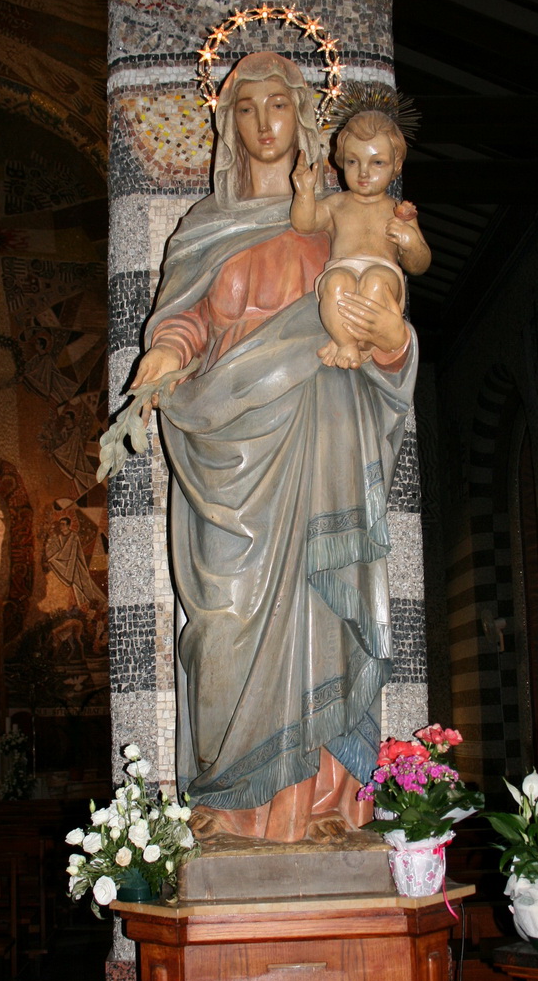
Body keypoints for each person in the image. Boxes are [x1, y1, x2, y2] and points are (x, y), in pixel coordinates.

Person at [129, 52, 418, 844]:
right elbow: (186, 319)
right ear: (227, 123)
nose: (264, 122)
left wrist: (391, 338)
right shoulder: (204, 227)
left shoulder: (338, 216)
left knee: (320, 612)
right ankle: (232, 805)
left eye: (279, 105)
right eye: (246, 107)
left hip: (320, 440)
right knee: (222, 622)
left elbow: (385, 330)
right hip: (230, 454)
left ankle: (323, 806)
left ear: (303, 117)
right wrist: (165, 352)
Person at [291, 108, 431, 369]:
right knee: (334, 282)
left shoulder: (398, 211)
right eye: (353, 162)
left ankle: (368, 341)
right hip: (342, 267)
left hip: (383, 271)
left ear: (396, 166)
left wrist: (409, 241)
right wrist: (304, 193)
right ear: (341, 161)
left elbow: (419, 265)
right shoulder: (336, 204)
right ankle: (346, 343)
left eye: (377, 163)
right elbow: (305, 223)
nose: (364, 173)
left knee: (375, 281)